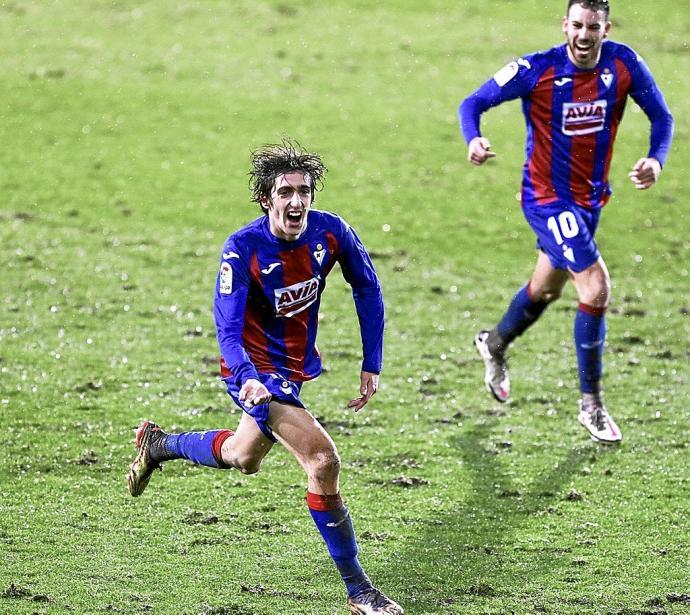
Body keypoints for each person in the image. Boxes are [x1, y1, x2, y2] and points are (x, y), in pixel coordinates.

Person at [127, 139, 403, 615]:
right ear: (266, 199)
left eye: (304, 190)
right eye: (285, 192)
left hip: (291, 368)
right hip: (253, 371)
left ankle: (159, 445)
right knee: (323, 461)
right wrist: (248, 377)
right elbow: (227, 330)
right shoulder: (242, 249)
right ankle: (359, 591)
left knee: (242, 456)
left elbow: (368, 289)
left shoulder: (331, 233)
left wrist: (371, 361)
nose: (296, 201)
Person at [459, 0, 673, 443]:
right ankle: (590, 405)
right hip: (547, 199)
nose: (583, 34)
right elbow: (473, 101)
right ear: (564, 25)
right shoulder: (536, 69)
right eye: (576, 25)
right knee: (595, 287)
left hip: (590, 202)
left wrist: (655, 160)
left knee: (546, 288)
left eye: (592, 27)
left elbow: (662, 117)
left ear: (605, 29)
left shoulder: (624, 63)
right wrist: (474, 138)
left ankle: (494, 342)